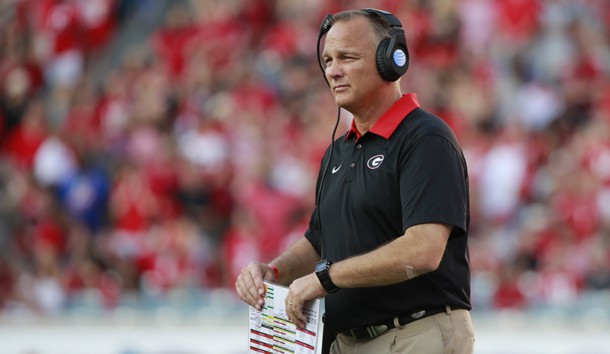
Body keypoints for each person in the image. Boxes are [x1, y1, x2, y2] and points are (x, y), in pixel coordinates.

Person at [235, 8, 475, 354]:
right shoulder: (337, 152)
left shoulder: (425, 138)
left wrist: (324, 279)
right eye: (328, 60)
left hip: (414, 334)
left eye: (347, 57)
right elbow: (319, 242)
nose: (332, 70)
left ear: (390, 61)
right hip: (344, 341)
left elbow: (423, 250)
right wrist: (274, 272)